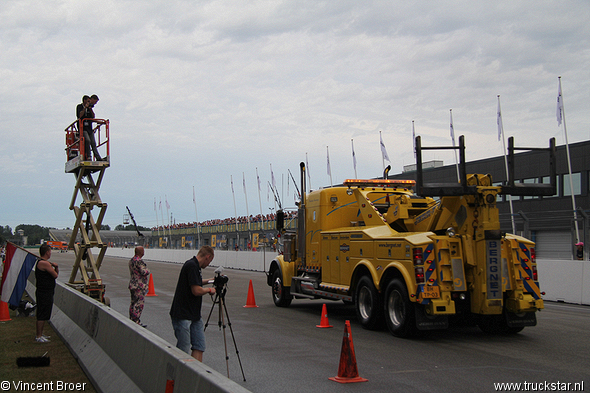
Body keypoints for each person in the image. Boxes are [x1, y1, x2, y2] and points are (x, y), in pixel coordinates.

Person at [169, 246, 216, 361]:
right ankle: (180, 374)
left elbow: (196, 281)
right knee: (183, 350)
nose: (208, 264)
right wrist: (210, 290)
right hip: (183, 314)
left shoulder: (195, 266)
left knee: (199, 346)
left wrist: (211, 280)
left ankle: (196, 373)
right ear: (207, 257)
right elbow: (196, 290)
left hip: (193, 314)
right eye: (210, 261)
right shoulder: (191, 266)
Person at [35, 244, 58, 343]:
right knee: (42, 313)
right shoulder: (44, 263)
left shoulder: (42, 262)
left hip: (46, 291)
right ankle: (38, 335)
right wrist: (56, 267)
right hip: (44, 292)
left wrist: (55, 267)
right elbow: (55, 275)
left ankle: (41, 333)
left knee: (44, 313)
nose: (50, 253)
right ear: (47, 252)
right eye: (50, 251)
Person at [76, 94, 102, 161]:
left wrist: (90, 109)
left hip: (89, 128)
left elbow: (93, 117)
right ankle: (89, 156)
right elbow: (80, 116)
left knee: (93, 143)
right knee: (87, 140)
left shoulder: (89, 108)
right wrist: (85, 108)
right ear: (84, 101)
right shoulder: (79, 106)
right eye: (88, 101)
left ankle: (98, 157)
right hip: (83, 128)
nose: (89, 102)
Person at [128, 246, 150, 326]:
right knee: (139, 304)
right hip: (139, 286)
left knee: (133, 302)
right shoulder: (139, 261)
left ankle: (131, 318)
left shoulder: (132, 260)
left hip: (133, 284)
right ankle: (136, 320)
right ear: (140, 252)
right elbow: (144, 272)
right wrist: (148, 270)